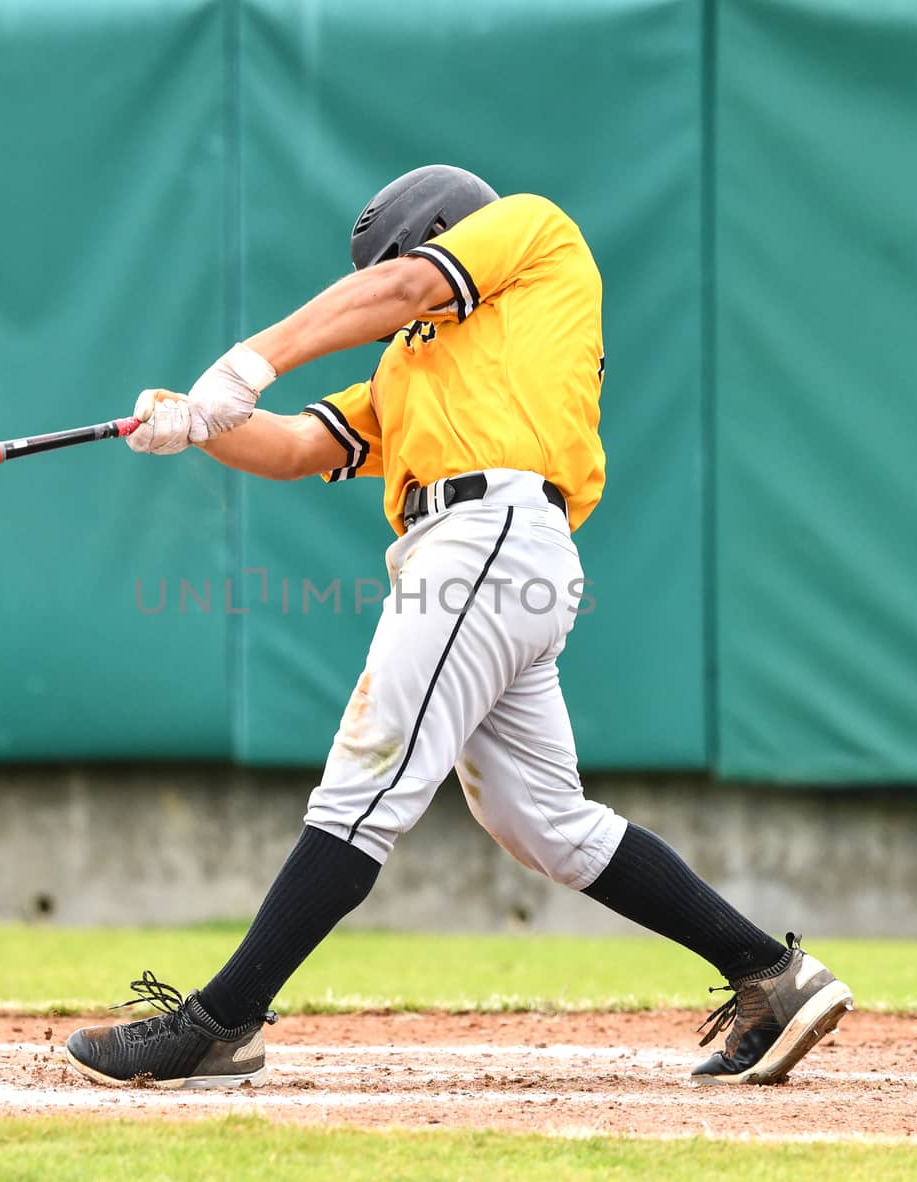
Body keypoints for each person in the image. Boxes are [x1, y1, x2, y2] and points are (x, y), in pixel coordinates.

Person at [64, 164, 853, 1089]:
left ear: (435, 232)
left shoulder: (531, 233)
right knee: (546, 822)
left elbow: (402, 287)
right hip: (496, 557)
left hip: (488, 537)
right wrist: (193, 422)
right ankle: (773, 976)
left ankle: (220, 1023)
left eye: (395, 269)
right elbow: (293, 447)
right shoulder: (414, 366)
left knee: (365, 785)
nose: (392, 298)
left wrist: (250, 359)